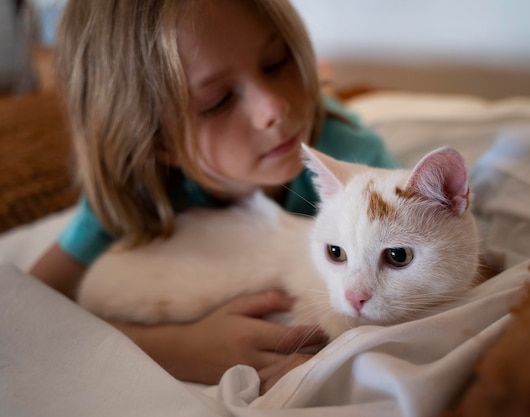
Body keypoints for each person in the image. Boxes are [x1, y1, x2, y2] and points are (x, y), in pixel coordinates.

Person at [29, 0, 399, 390]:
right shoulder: (134, 194)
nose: (274, 107)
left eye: (275, 62)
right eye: (217, 100)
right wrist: (176, 348)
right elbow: (27, 309)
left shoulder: (351, 158)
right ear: (159, 143)